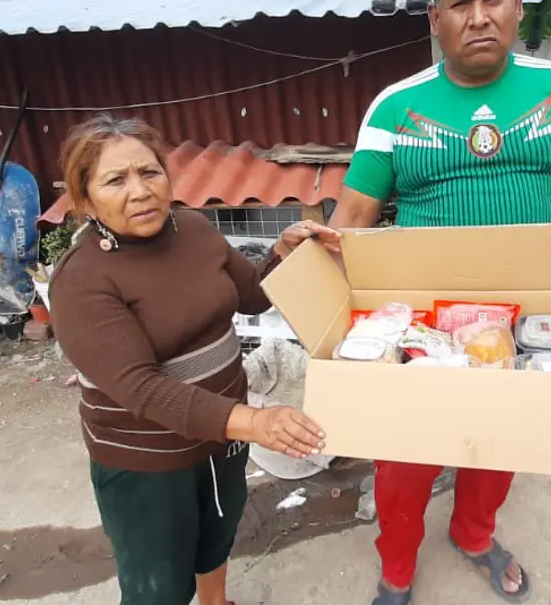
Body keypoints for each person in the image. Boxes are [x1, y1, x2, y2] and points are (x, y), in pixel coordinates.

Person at [327, 0, 551, 603]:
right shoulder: (394, 108)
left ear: (517, 5)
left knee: (499, 445)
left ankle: (474, 535)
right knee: (402, 460)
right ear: (435, 19)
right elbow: (352, 218)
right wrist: (322, 307)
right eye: (459, 2)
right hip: (421, 325)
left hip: (526, 323)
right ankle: (397, 567)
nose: (477, 16)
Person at [48, 114, 338, 605]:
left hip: (221, 439)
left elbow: (251, 296)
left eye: (149, 172)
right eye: (116, 180)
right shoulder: (82, 280)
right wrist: (254, 422)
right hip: (149, 462)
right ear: (84, 199)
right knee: (156, 584)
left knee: (216, 536)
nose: (140, 191)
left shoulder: (195, 229)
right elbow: (142, 388)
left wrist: (284, 254)